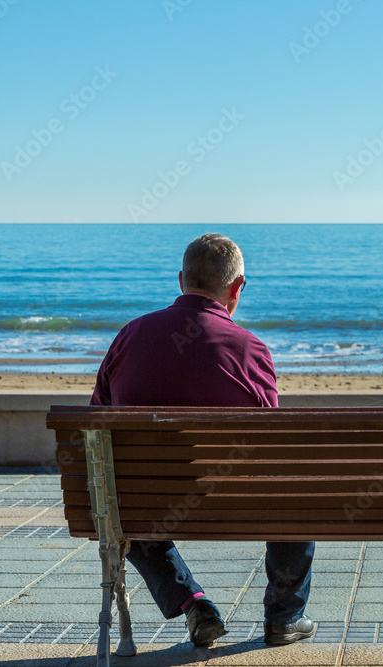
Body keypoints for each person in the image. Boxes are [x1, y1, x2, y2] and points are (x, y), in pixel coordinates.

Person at [90, 233, 315, 647]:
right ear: (237, 287)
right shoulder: (250, 350)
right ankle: (284, 617)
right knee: (295, 493)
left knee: (120, 498)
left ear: (181, 280)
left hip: (146, 502)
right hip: (232, 502)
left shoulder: (129, 337)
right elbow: (271, 444)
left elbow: (95, 427)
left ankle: (195, 604)